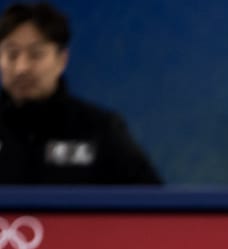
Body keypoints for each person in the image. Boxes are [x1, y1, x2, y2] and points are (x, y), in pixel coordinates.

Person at [0, 3, 160, 184]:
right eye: (12, 54)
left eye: (36, 54)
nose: (22, 68)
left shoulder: (100, 130)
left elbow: (153, 204)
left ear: (62, 60)